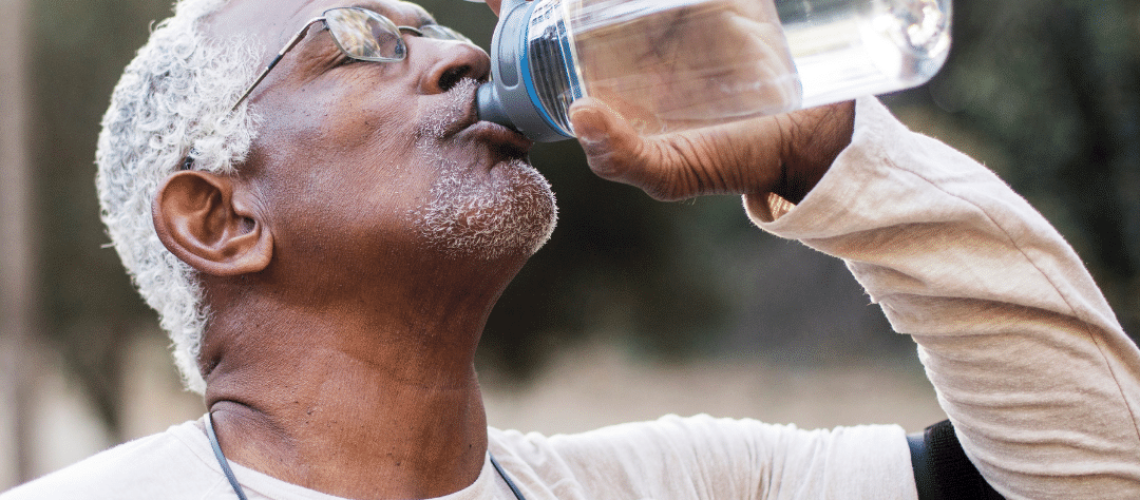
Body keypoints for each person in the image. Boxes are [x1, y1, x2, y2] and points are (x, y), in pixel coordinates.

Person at [4, 0, 1140, 498]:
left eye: (434, 23)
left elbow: (1094, 471)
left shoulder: (682, 483)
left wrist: (824, 148)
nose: (454, 51)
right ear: (219, 216)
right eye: (356, 42)